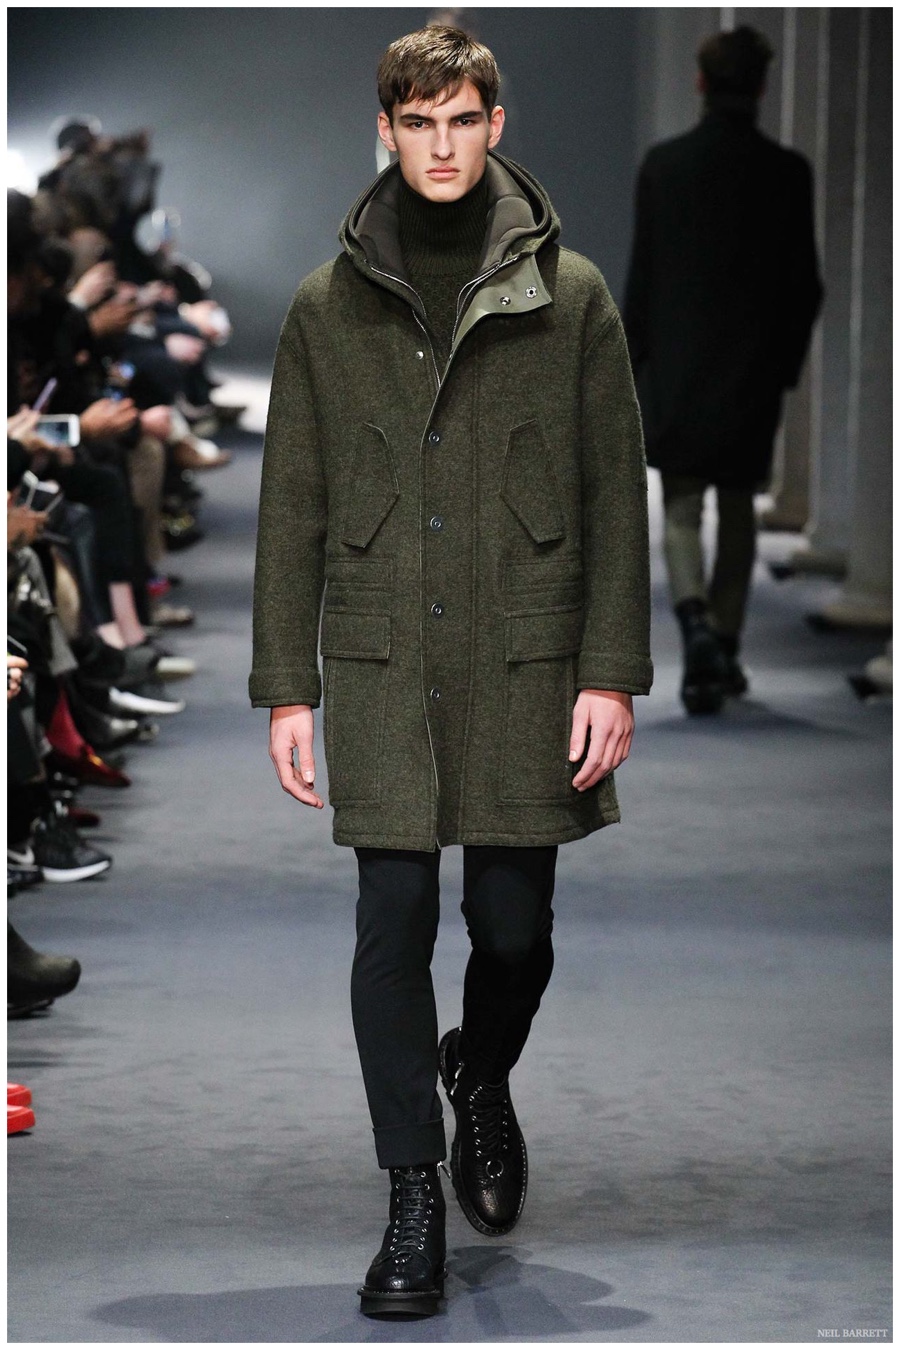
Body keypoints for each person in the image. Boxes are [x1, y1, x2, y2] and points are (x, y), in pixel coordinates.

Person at [250, 25, 652, 1318]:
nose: (440, 145)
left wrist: (610, 672)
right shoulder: (326, 308)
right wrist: (288, 686)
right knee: (392, 922)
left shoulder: (571, 296)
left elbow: (614, 495)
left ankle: (478, 1069)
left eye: (461, 120)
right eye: (417, 122)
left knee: (516, 931)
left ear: (494, 124)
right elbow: (292, 502)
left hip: (525, 649)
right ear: (386, 130)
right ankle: (411, 1192)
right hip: (383, 649)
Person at [623, 25, 822, 715]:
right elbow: (805, 285)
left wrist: (632, 363)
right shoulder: (788, 173)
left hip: (679, 366)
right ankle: (726, 647)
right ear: (762, 87)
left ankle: (696, 627)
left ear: (701, 83)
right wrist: (783, 366)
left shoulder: (665, 166)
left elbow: (644, 280)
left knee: (682, 507)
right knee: (738, 505)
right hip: (751, 368)